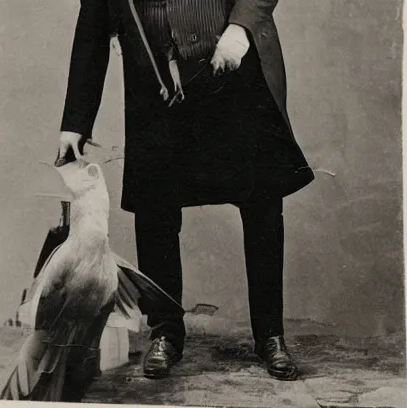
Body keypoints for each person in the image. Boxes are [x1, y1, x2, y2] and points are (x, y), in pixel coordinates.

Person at [57, 0, 315, 381]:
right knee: (154, 211)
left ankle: (271, 335)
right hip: (157, 84)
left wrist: (240, 27)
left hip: (232, 66)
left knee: (261, 204)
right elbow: (93, 24)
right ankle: (165, 333)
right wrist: (75, 122)